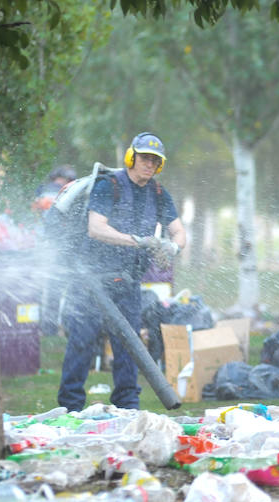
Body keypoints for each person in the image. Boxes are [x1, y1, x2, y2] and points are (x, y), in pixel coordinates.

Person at [57, 132, 186, 411]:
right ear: (131, 157)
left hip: (127, 282)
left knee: (127, 346)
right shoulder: (109, 185)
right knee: (82, 342)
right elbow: (96, 228)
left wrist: (172, 248)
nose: (149, 164)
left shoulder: (160, 194)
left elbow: (178, 232)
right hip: (90, 280)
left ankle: (128, 406)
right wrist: (138, 241)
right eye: (144, 158)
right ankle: (70, 407)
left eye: (155, 160)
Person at [33, 165, 77, 335]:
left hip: (43, 247)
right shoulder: (67, 191)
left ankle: (47, 328)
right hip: (60, 248)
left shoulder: (42, 191)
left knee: (47, 290)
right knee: (65, 290)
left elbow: (37, 215)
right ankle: (62, 327)